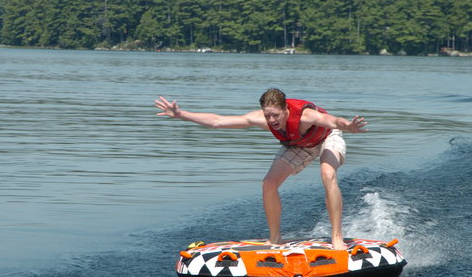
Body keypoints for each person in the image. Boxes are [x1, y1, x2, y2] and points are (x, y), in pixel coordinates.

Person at [155, 88, 368, 250]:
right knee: (268, 183)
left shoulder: (305, 115)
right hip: (298, 145)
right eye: (268, 116)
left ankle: (337, 237)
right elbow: (219, 121)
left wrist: (348, 126)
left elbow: (331, 120)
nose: (271, 120)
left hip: (328, 137)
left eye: (276, 115)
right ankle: (275, 238)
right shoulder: (261, 119)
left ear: (286, 110)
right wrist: (182, 114)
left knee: (327, 174)